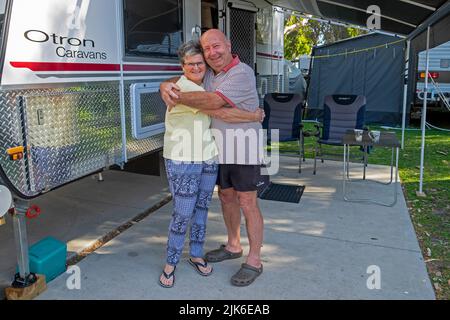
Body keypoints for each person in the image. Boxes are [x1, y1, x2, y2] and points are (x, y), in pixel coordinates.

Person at [160, 29, 266, 287]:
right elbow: (189, 75)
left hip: (243, 149)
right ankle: (233, 245)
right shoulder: (210, 74)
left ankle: (254, 260)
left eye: (216, 46)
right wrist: (165, 84)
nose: (212, 53)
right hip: (217, 151)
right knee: (227, 197)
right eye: (207, 49)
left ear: (228, 45)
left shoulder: (241, 73)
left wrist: (176, 96)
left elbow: (217, 106)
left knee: (247, 202)